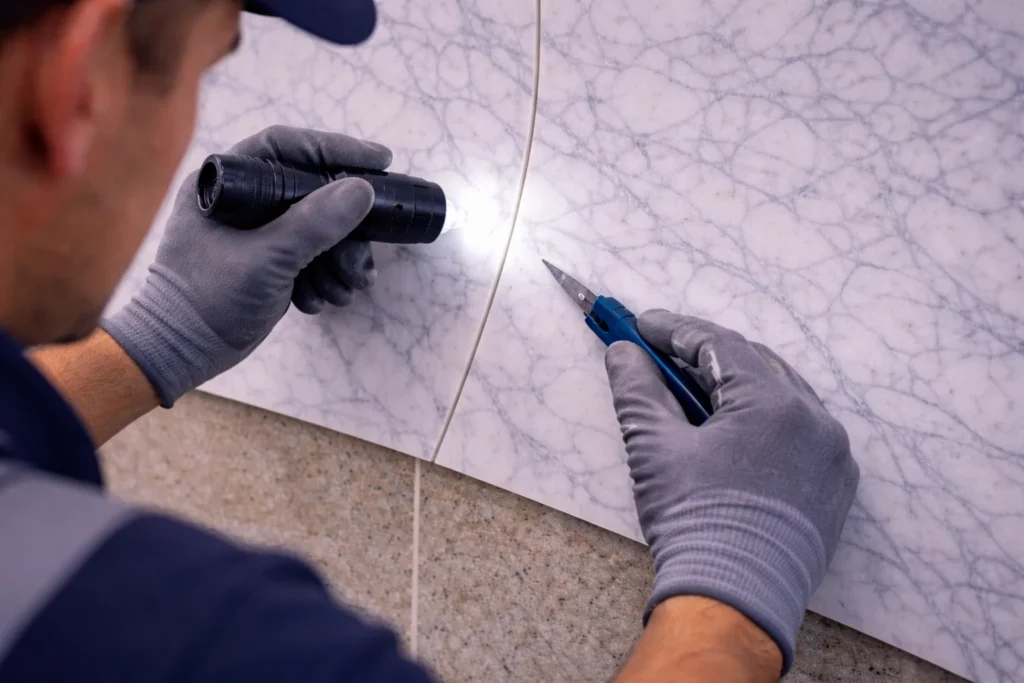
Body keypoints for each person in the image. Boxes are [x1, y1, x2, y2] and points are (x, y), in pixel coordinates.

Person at [0, 0, 860, 681]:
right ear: (80, 83)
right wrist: (730, 599)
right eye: (209, 65)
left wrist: (152, 341)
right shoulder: (196, 638)